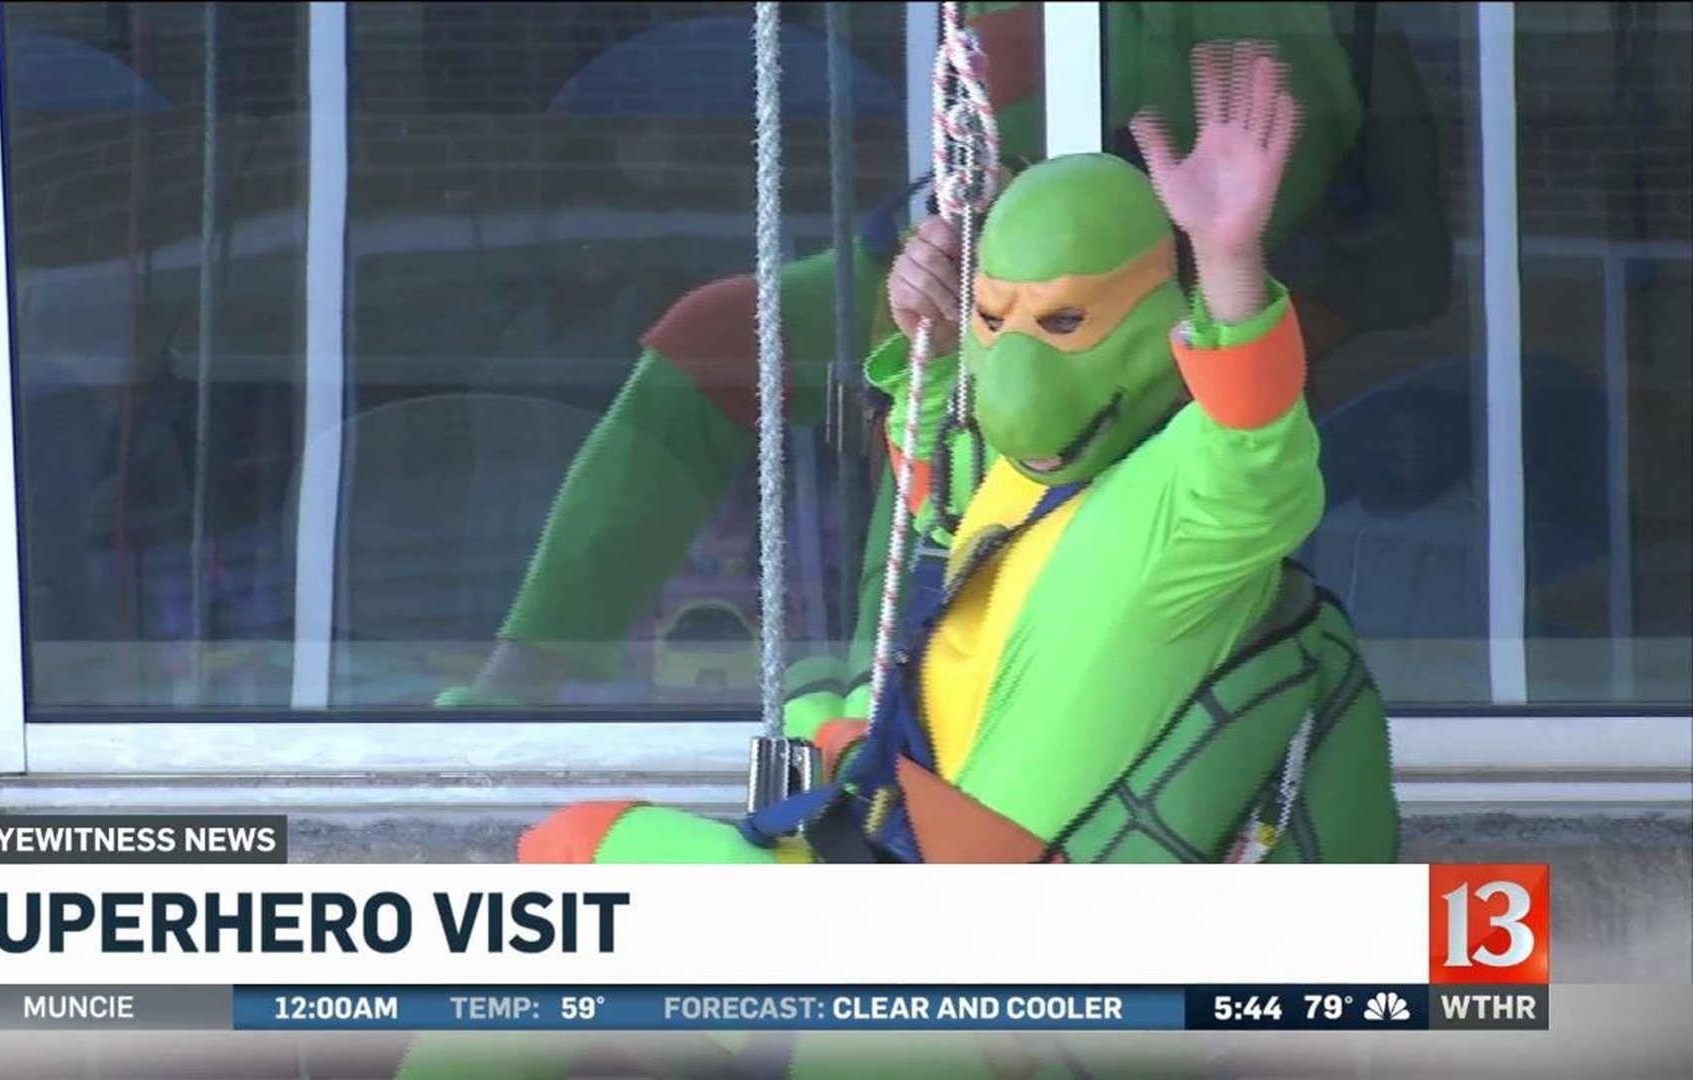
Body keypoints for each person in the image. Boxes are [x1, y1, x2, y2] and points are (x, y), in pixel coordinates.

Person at [439, 2, 1449, 736]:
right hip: (996, 245)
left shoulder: (1283, 24)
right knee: (735, 339)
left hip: (1188, 281)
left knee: (981, 377)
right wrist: (932, 239)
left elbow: (1342, 226)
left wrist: (1172, 263)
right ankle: (537, 667)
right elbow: (978, 142)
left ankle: (898, 692)